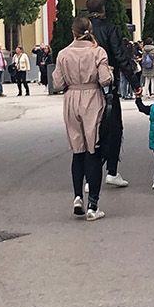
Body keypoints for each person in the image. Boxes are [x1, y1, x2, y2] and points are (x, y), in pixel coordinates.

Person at [53, 17, 111, 220]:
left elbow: (57, 84)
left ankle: (78, 195)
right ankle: (93, 204)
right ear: (90, 30)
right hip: (92, 97)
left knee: (77, 149)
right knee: (93, 149)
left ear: (73, 32)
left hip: (71, 98)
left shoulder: (63, 54)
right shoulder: (97, 51)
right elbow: (105, 79)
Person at [85, 0, 134, 188]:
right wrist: (134, 82)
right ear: (103, 9)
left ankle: (90, 176)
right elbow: (120, 56)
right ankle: (111, 171)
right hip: (108, 86)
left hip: (86, 87)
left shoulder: (82, 30)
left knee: (91, 129)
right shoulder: (109, 28)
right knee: (114, 128)